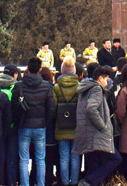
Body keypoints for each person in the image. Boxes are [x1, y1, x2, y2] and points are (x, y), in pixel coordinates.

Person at [72, 66, 121, 186]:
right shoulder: (96, 89)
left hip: (86, 133)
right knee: (116, 159)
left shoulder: (86, 88)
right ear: (100, 78)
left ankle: (88, 181)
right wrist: (102, 126)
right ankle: (88, 180)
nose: (106, 82)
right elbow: (91, 109)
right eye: (106, 79)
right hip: (95, 133)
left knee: (93, 164)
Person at [13, 57, 56, 186]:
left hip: (24, 125)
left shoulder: (19, 86)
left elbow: (14, 107)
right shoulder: (45, 86)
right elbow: (51, 107)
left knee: (24, 159)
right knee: (40, 159)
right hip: (40, 126)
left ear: (27, 69)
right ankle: (40, 183)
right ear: (39, 69)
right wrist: (45, 122)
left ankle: (25, 184)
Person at [53, 57, 81, 186]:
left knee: (63, 157)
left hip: (61, 126)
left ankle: (64, 182)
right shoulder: (79, 87)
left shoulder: (57, 87)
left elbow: (53, 107)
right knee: (75, 156)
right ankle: (74, 181)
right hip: (76, 127)